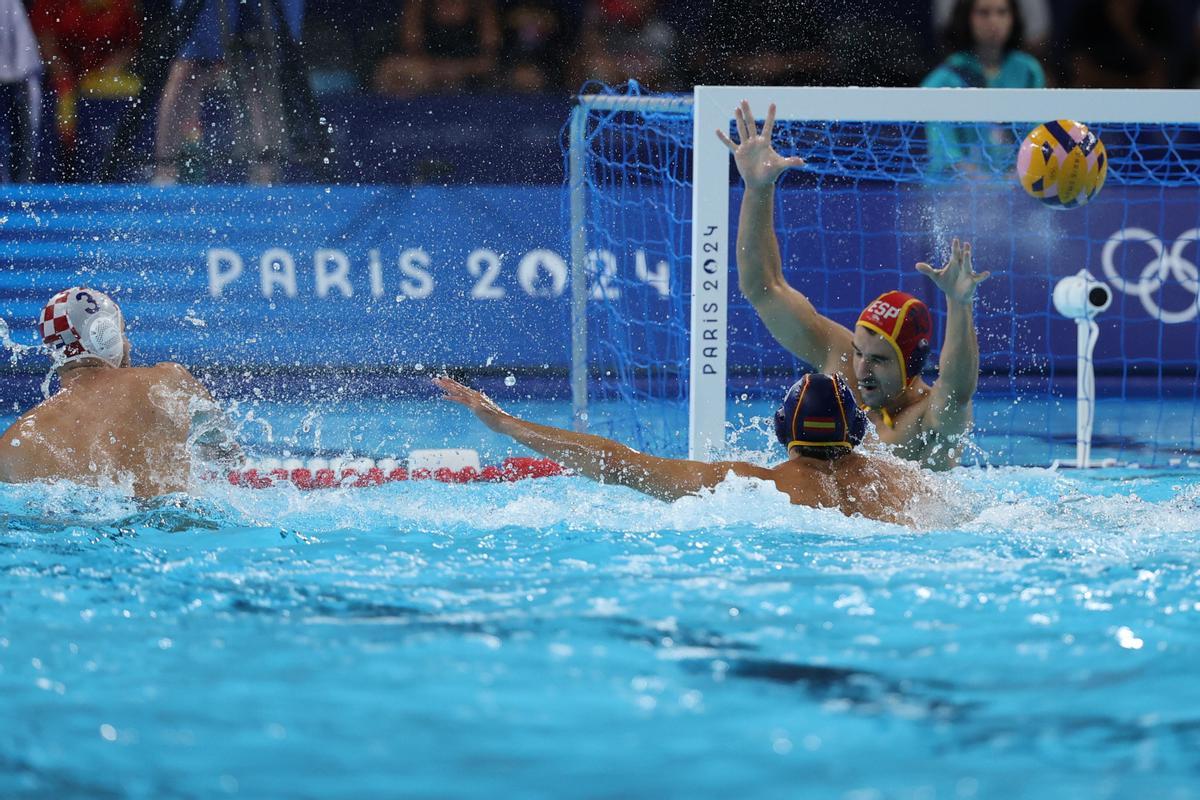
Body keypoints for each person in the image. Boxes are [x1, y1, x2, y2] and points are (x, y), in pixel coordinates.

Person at [715, 101, 991, 471]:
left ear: (910, 364)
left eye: (878, 359)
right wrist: (757, 188)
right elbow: (764, 287)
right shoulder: (842, 361)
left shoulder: (929, 419)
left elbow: (958, 392)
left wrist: (960, 305)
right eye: (860, 352)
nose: (861, 369)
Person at [436, 373, 933, 526]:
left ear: (782, 430)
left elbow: (618, 464)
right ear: (860, 433)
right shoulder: (908, 485)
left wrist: (504, 423)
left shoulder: (756, 485)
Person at [0, 288, 242, 497]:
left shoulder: (14, 443)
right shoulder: (167, 382)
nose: (128, 344)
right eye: (122, 333)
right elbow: (227, 456)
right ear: (104, 336)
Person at [921, 0, 1046, 173]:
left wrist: (1016, 180)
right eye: (983, 13)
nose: (994, 21)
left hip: (1017, 188)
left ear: (1013, 17)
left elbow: (1036, 140)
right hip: (955, 193)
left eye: (1002, 12)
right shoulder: (943, 80)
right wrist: (984, 186)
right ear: (966, 18)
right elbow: (945, 153)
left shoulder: (1028, 71)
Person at [0, 0, 42, 183]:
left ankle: (21, 189)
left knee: (23, 136)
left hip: (18, 75)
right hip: (16, 72)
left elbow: (23, 60)